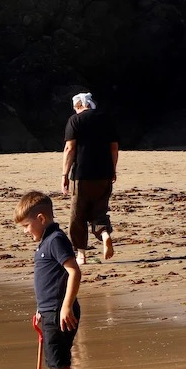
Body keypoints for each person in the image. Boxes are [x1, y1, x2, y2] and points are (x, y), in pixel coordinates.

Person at [14, 189, 81, 369]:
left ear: (41, 219)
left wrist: (65, 307)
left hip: (60, 312)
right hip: (49, 311)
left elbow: (74, 271)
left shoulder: (56, 240)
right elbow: (49, 281)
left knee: (60, 363)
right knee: (53, 363)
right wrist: (41, 309)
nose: (25, 231)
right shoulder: (45, 241)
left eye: (26, 225)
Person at [62, 90, 119, 266]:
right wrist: (113, 170)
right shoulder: (106, 119)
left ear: (79, 106)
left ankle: (81, 254)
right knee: (99, 211)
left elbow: (70, 149)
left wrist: (64, 174)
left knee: (77, 215)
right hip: (104, 174)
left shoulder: (75, 120)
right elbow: (114, 148)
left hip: (82, 174)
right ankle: (104, 234)